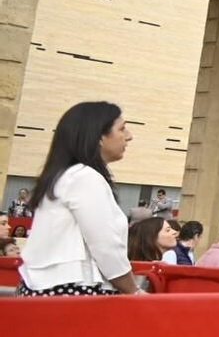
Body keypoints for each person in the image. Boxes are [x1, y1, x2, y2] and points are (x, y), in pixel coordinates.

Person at [17, 102, 139, 296]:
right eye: (122, 128)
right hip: (74, 291)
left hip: (45, 290)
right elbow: (105, 247)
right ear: (99, 136)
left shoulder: (64, 176)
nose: (129, 136)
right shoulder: (84, 177)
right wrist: (134, 290)